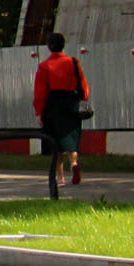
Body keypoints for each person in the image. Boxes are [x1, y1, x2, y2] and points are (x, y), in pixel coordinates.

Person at [32, 32, 87, 185]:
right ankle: (74, 164)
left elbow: (40, 92)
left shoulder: (44, 66)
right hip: (71, 103)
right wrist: (83, 99)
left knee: (56, 142)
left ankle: (61, 177)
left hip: (53, 105)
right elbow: (83, 85)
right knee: (71, 138)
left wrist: (39, 111)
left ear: (49, 47)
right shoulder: (74, 62)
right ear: (63, 45)